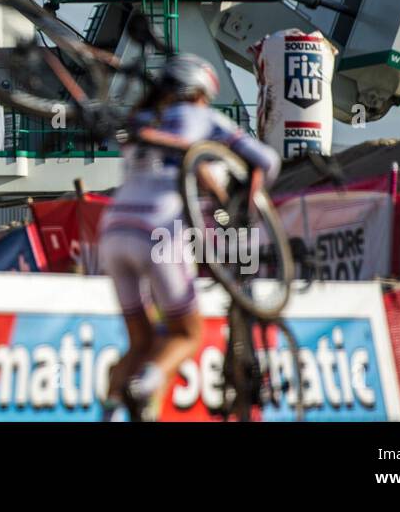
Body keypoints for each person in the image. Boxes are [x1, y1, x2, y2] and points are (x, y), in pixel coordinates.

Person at [99, 53, 280, 421]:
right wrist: (248, 194)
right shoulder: (204, 117)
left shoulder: (141, 120)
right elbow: (266, 161)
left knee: (140, 341)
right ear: (199, 92)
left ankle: (110, 411)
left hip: (114, 227)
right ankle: (144, 386)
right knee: (187, 334)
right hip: (158, 229)